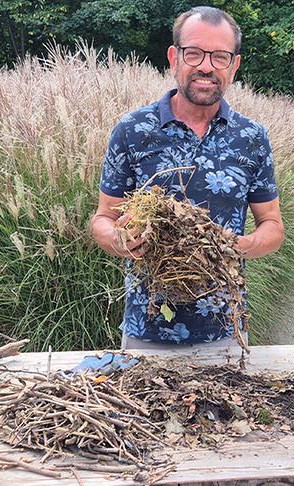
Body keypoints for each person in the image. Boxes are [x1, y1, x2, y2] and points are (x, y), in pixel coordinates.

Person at [90, 6, 284, 350]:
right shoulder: (134, 130)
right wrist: (119, 239)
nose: (206, 66)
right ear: (174, 58)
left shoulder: (251, 137)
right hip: (145, 330)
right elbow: (104, 217)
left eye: (220, 57)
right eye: (194, 53)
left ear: (234, 65)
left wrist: (239, 245)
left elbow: (272, 226)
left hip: (224, 332)